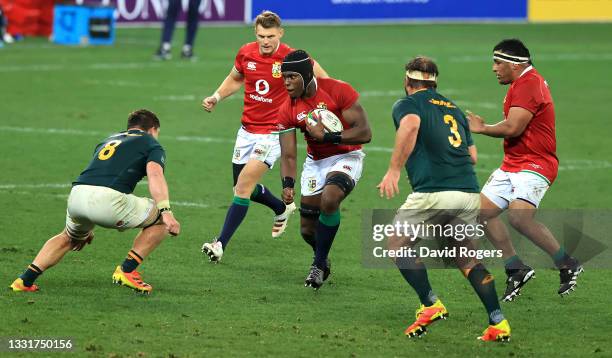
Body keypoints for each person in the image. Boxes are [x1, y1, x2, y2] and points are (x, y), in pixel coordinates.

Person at [377, 56, 510, 341]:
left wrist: (394, 170)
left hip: (433, 193)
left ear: (407, 82)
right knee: (466, 257)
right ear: (435, 83)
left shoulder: (408, 104)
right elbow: (472, 156)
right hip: (467, 193)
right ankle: (498, 322)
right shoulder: (454, 108)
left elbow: (410, 126)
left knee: (397, 245)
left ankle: (430, 304)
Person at [200, 11, 328, 262]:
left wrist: (321, 110)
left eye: (270, 36)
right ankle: (281, 208)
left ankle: (219, 244)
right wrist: (216, 97)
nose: (265, 41)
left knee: (244, 186)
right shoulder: (246, 52)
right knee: (239, 185)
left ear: (280, 33)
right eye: (261, 36)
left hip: (274, 134)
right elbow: (235, 78)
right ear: (255, 33)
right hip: (246, 131)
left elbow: (324, 80)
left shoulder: (293, 58)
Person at [9, 109, 180, 295]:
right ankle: (127, 270)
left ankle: (24, 281)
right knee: (160, 219)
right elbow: (155, 175)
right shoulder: (151, 143)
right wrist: (166, 211)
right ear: (152, 129)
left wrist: (87, 223)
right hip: (108, 201)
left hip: (77, 196)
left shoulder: (108, 140)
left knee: (68, 236)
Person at [467, 39, 583, 301]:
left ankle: (567, 263)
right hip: (514, 162)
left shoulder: (529, 84)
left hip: (536, 162)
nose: (494, 68)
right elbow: (513, 123)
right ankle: (515, 267)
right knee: (481, 213)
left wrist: (482, 128)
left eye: (498, 63)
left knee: (519, 218)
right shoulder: (521, 83)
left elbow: (513, 128)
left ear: (515, 65)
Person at [277, 49, 371, 290]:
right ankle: (322, 255)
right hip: (315, 163)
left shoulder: (338, 90)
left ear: (307, 75)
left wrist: (329, 136)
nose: (286, 82)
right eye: (284, 77)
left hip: (346, 155)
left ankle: (317, 265)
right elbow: (288, 152)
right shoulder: (287, 108)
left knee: (330, 198)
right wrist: (287, 184)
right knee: (308, 230)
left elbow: (365, 132)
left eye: (292, 77)